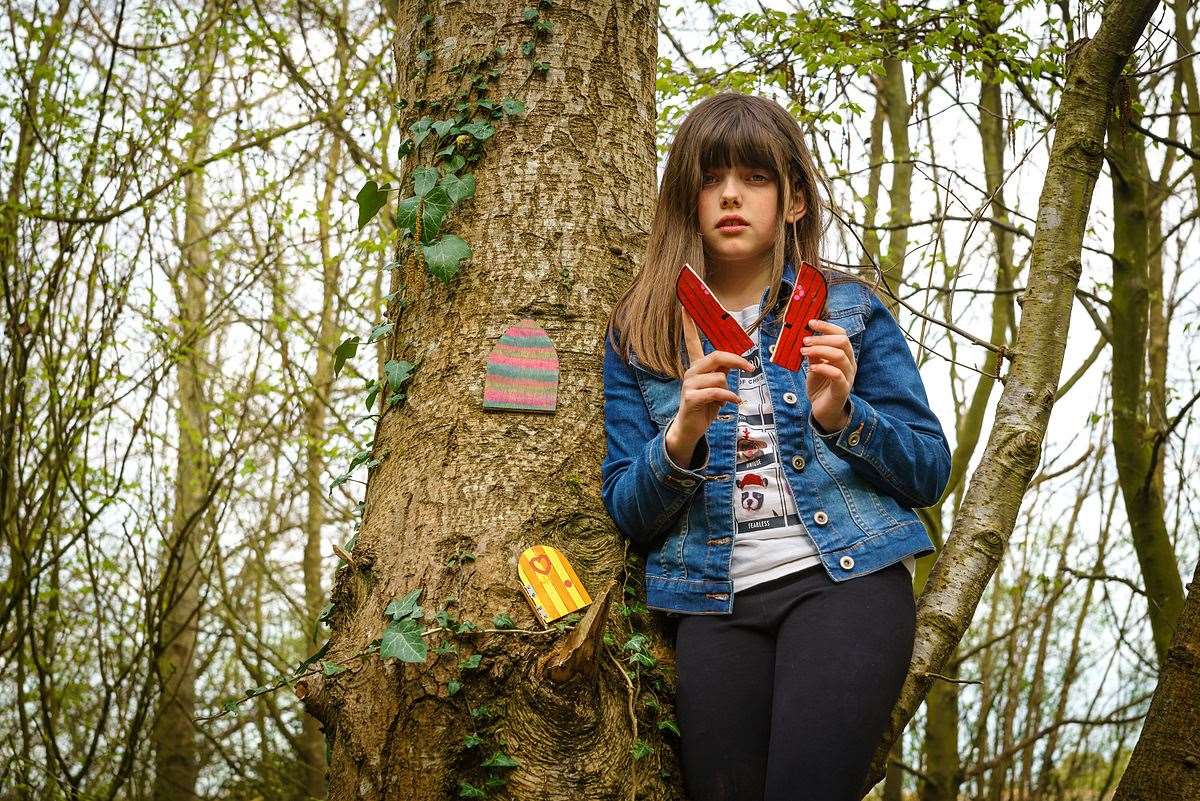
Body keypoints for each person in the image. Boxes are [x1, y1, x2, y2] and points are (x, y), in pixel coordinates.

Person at [599, 91, 952, 801]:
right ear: (686, 198)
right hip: (713, 603)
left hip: (846, 583)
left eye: (755, 178)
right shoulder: (641, 334)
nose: (731, 194)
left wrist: (843, 415)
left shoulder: (847, 308)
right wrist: (682, 436)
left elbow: (929, 467)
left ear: (793, 198)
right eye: (710, 178)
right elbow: (626, 509)